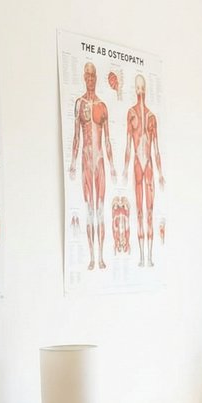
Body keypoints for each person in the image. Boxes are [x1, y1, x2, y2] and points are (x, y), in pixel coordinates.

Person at [69, 61, 116, 270]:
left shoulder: (102, 106)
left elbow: (107, 140)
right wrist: (72, 163)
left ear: (96, 78)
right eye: (87, 75)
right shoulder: (79, 104)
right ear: (83, 77)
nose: (90, 79)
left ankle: (101, 256)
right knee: (89, 209)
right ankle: (91, 257)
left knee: (100, 208)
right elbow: (76, 136)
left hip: (100, 162)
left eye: (93, 75)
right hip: (86, 160)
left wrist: (112, 166)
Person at [122, 74, 165, 267]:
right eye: (137, 88)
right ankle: (141, 257)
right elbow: (128, 145)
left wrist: (161, 173)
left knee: (149, 211)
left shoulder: (151, 117)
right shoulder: (130, 114)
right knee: (139, 211)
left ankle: (150, 257)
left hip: (148, 167)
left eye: (142, 88)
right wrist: (124, 169)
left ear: (145, 90)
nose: (139, 91)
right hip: (138, 166)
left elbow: (156, 149)